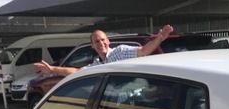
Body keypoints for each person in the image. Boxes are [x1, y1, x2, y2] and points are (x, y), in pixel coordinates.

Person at [34, 24, 174, 76]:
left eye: (103, 40)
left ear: (108, 41)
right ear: (92, 46)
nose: (101, 43)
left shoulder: (120, 51)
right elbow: (77, 72)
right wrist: (52, 69)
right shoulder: (97, 65)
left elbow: (143, 51)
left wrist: (160, 38)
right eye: (97, 41)